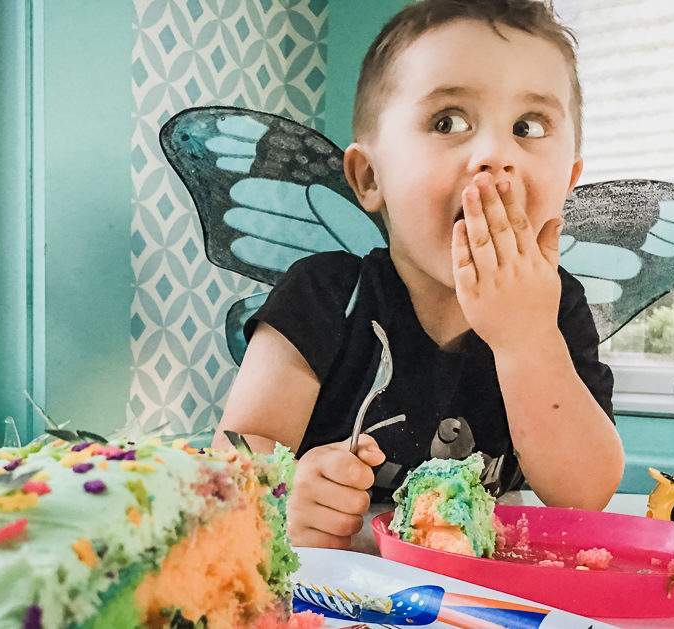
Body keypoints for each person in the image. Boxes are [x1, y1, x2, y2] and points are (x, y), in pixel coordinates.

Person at [213, 0, 623, 549]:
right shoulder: (325, 294)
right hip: (333, 577)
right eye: (448, 121)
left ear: (567, 181)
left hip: (477, 583)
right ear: (369, 177)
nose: (494, 154)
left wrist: (527, 339)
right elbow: (237, 455)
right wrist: (283, 497)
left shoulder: (557, 305)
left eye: (528, 127)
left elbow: (584, 494)